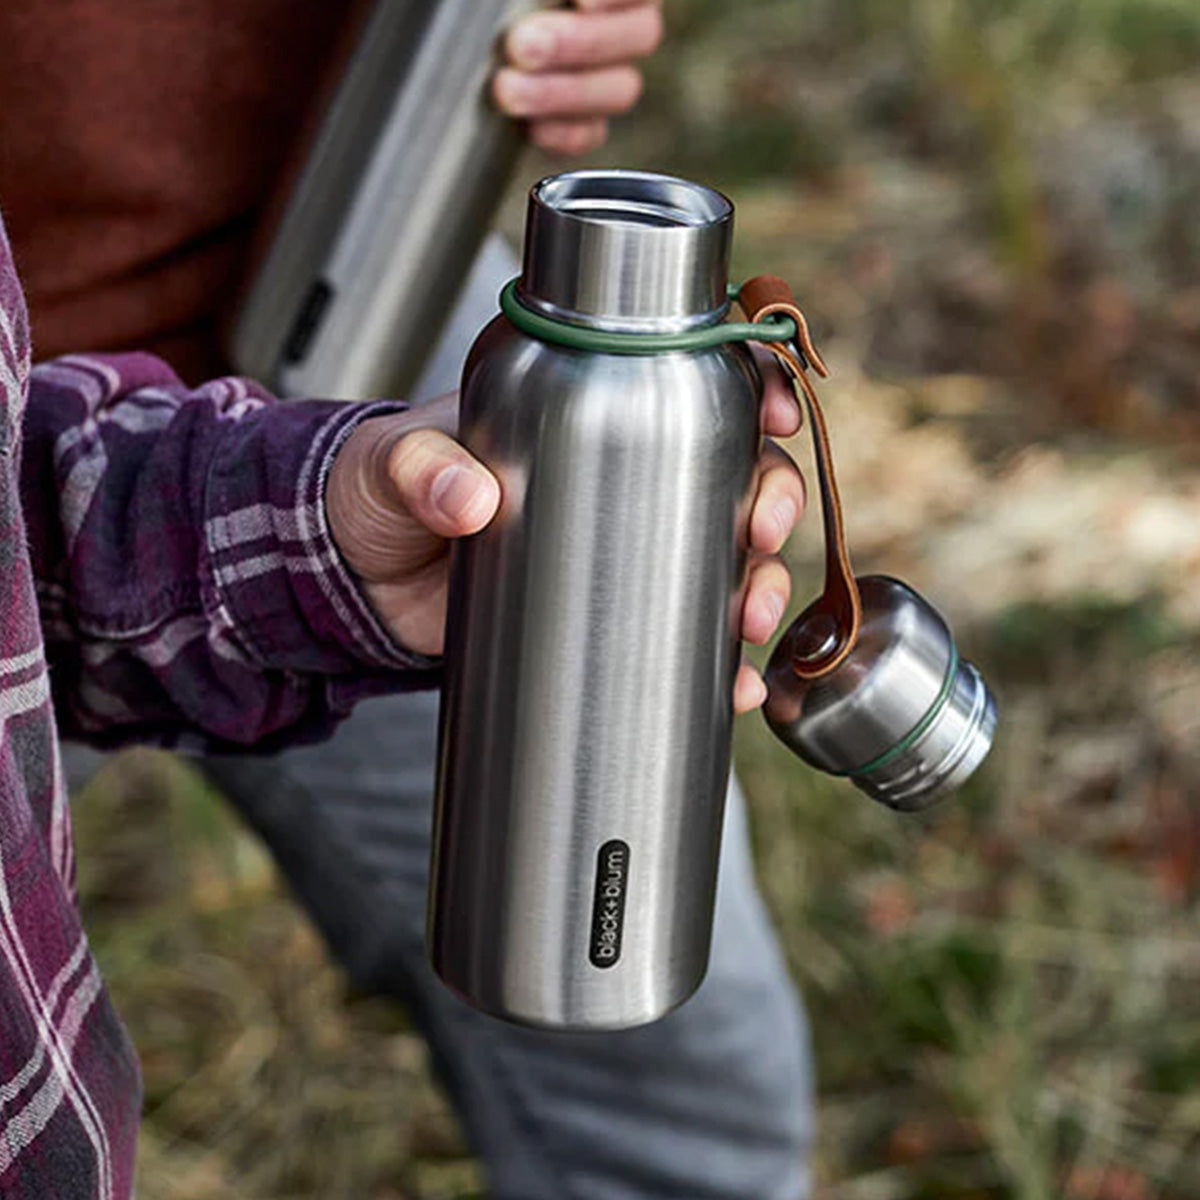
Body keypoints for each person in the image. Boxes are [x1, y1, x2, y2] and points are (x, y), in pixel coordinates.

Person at [0, 3, 816, 1197]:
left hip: (356, 308)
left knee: (680, 1082)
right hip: (68, 387)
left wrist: (551, 37)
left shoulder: (562, 385)